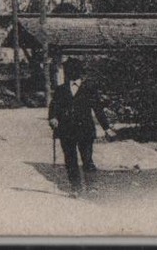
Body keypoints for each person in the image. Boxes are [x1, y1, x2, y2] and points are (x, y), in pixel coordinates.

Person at [47, 59, 112, 197]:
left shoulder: (89, 89)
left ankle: (91, 186)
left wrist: (106, 127)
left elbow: (98, 109)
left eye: (74, 69)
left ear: (80, 72)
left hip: (85, 130)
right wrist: (52, 118)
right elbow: (53, 107)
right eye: (68, 70)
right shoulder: (61, 89)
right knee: (70, 160)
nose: (71, 72)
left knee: (87, 159)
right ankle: (75, 188)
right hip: (66, 131)